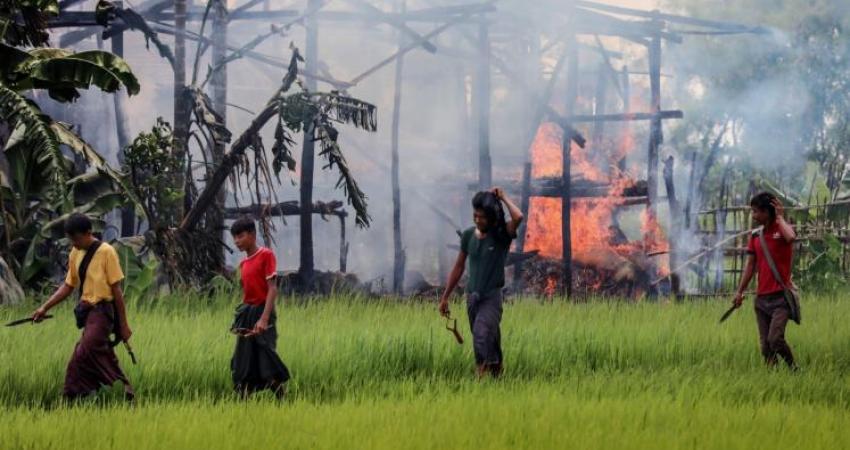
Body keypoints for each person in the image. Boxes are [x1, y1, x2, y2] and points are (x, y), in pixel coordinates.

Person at [32, 213, 134, 401]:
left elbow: (117, 291)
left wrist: (124, 325)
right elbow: (68, 286)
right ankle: (119, 388)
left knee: (84, 351)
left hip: (103, 311)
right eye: (70, 239)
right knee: (93, 351)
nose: (74, 244)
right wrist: (44, 308)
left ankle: (75, 394)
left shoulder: (106, 252)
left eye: (76, 239)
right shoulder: (75, 253)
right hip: (87, 313)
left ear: (88, 233)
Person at [439, 188, 523, 378]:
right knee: (489, 338)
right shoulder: (468, 235)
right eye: (475, 215)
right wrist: (445, 297)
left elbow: (518, 217)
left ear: (492, 218)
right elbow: (459, 267)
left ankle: (480, 376)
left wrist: (503, 197)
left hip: (491, 299)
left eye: (482, 217)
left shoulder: (501, 235)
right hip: (472, 298)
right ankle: (497, 374)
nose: (477, 220)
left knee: (481, 334)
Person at [734, 192, 798, 370]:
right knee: (765, 347)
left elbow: (791, 237)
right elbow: (750, 266)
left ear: (767, 212)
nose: (753, 216)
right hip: (761, 299)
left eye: (756, 211)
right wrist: (739, 291)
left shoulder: (782, 231)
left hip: (780, 298)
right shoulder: (755, 236)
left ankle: (794, 369)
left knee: (775, 339)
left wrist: (780, 217)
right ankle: (773, 378)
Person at [229, 216, 290, 399]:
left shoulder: (266, 255)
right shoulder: (243, 264)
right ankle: (243, 412)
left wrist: (263, 319)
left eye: (240, 236)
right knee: (244, 364)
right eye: (234, 237)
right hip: (248, 313)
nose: (236, 241)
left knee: (266, 364)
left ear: (252, 235)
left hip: (263, 312)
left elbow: (272, 289)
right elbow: (247, 293)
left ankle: (285, 401)